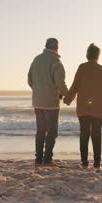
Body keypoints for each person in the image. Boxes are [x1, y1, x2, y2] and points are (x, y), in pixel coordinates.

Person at [63, 43, 102, 170]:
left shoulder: (82, 68)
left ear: (87, 54)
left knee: (84, 134)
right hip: (98, 108)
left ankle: (84, 163)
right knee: (96, 135)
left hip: (84, 108)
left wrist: (68, 99)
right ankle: (96, 164)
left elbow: (75, 86)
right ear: (97, 56)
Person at [27, 38, 68, 167]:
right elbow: (60, 83)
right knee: (52, 132)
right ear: (57, 47)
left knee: (40, 131)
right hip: (51, 103)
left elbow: (29, 79)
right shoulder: (56, 62)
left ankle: (38, 160)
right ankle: (48, 159)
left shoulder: (36, 59)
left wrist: (38, 90)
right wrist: (68, 95)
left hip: (37, 102)